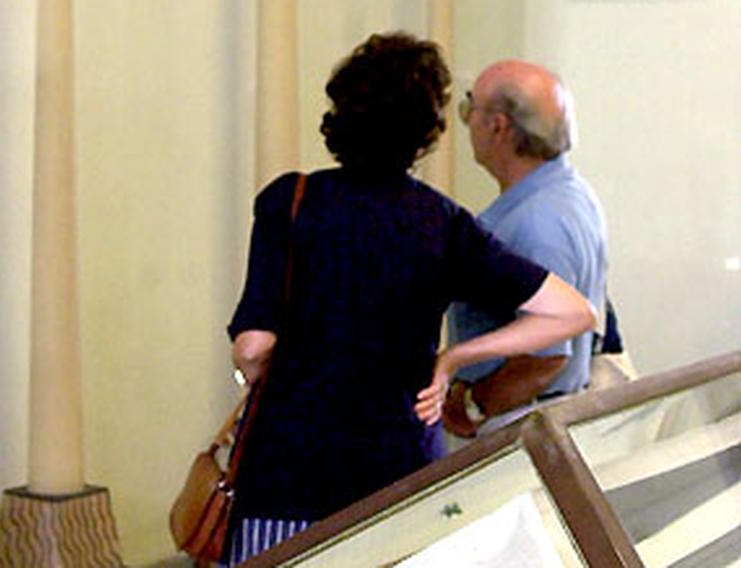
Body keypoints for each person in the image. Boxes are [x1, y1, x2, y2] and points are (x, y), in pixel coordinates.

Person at [225, 35, 595, 566]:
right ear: (426, 132)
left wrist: (264, 371)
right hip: (395, 472)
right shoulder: (441, 222)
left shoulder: (291, 200)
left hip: (290, 465)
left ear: (341, 111)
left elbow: (254, 345)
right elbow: (571, 312)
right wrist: (452, 359)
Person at [443, 60, 608, 437]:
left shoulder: (538, 222)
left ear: (497, 126)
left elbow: (546, 356)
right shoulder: (570, 194)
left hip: (517, 425)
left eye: (471, 107)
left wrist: (474, 406)